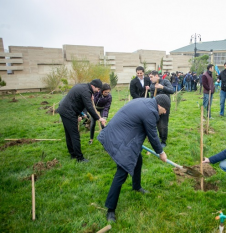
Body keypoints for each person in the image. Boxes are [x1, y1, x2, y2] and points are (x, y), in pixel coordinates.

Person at [97, 94, 170, 222]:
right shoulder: (151, 111)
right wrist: (161, 152)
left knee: (138, 160)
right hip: (120, 138)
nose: (165, 112)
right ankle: (110, 210)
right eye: (165, 109)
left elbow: (143, 125)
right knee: (122, 172)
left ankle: (136, 186)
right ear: (160, 105)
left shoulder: (146, 102)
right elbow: (153, 135)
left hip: (119, 132)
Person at [57, 79, 106, 162]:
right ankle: (79, 158)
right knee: (74, 135)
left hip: (65, 110)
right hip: (68, 112)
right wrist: (98, 118)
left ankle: (72, 154)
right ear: (93, 86)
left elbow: (78, 101)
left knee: (69, 134)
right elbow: (89, 107)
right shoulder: (86, 91)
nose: (98, 91)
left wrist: (80, 114)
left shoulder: (84, 87)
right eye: (98, 89)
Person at [149, 70, 174, 147]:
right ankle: (157, 137)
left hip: (165, 107)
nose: (150, 79)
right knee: (156, 123)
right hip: (156, 106)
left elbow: (172, 91)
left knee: (163, 123)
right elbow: (152, 96)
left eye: (151, 77)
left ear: (156, 76)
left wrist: (162, 87)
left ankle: (163, 141)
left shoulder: (165, 81)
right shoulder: (152, 85)